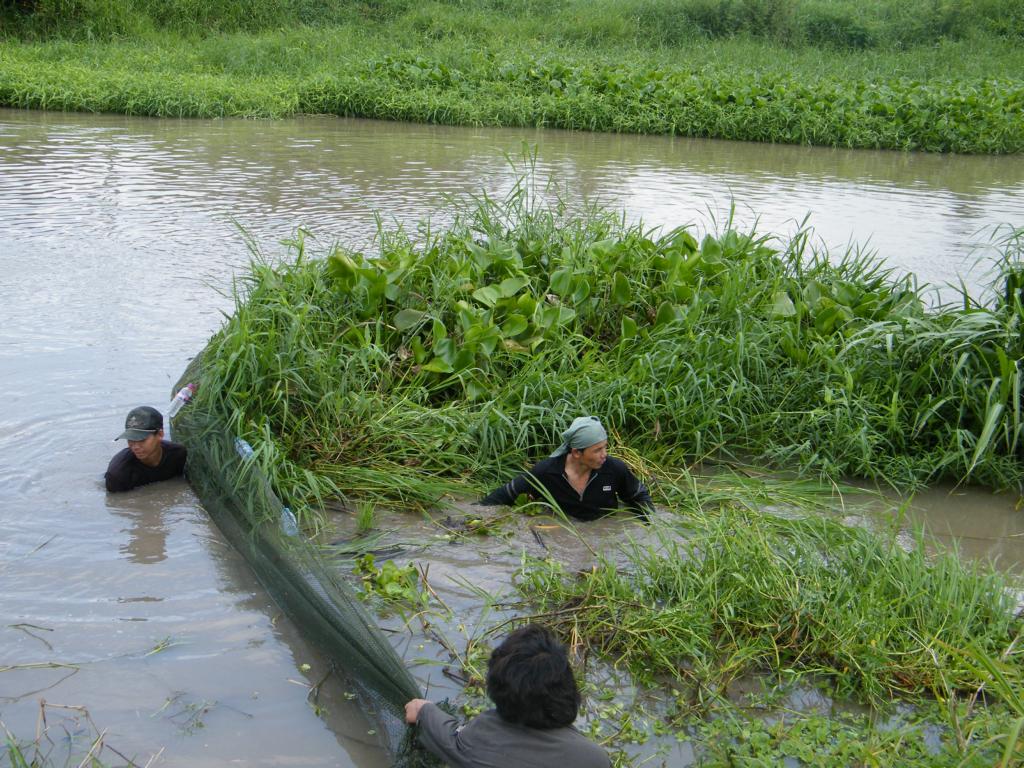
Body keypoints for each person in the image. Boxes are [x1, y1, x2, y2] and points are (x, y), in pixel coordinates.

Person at [404, 624, 610, 768]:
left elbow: (444, 734)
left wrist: (422, 709)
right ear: (568, 693)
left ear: (496, 692)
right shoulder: (594, 759)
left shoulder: (478, 736)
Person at [478, 415, 653, 521]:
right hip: (560, 531)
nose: (604, 454)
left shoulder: (615, 469)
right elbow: (503, 496)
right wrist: (474, 515)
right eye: (598, 449)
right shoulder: (546, 472)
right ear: (577, 453)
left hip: (604, 534)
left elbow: (639, 497)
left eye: (605, 447)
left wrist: (651, 527)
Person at [104, 406, 187, 492]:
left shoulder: (178, 454)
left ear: (160, 434)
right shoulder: (118, 475)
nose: (135, 446)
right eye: (131, 439)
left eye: (141, 439)